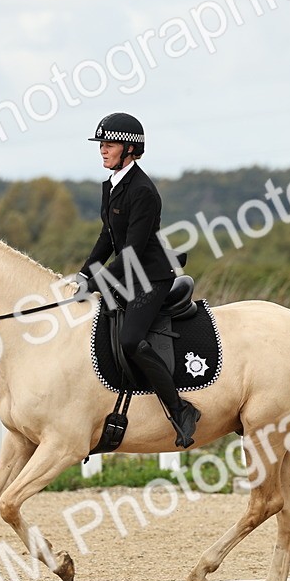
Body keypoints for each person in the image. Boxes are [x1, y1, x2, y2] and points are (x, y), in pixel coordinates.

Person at [75, 112, 201, 449]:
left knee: (131, 339)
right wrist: (85, 273)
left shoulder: (143, 190)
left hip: (151, 277)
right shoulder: (113, 185)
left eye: (109, 144)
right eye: (101, 144)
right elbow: (107, 237)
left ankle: (180, 409)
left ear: (129, 149)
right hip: (130, 273)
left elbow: (131, 249)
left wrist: (99, 281)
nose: (102, 149)